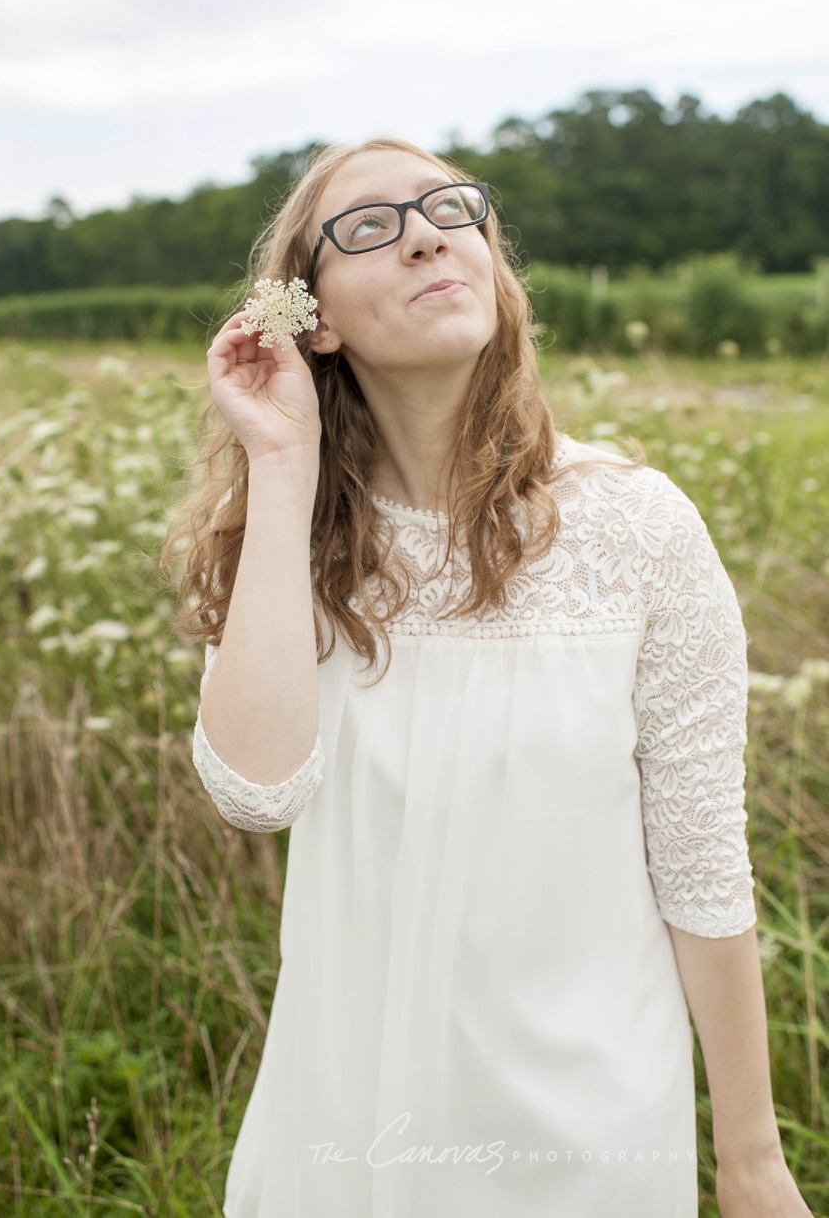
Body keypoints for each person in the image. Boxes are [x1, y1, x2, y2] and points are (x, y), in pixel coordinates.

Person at [164, 137, 810, 1217]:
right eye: (369, 226)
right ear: (309, 317)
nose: (425, 233)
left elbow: (701, 859)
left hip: (591, 1128)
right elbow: (254, 791)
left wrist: (750, 1160)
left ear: (493, 266)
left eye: (452, 210)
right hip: (350, 1124)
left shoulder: (639, 528)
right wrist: (282, 468)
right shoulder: (299, 543)